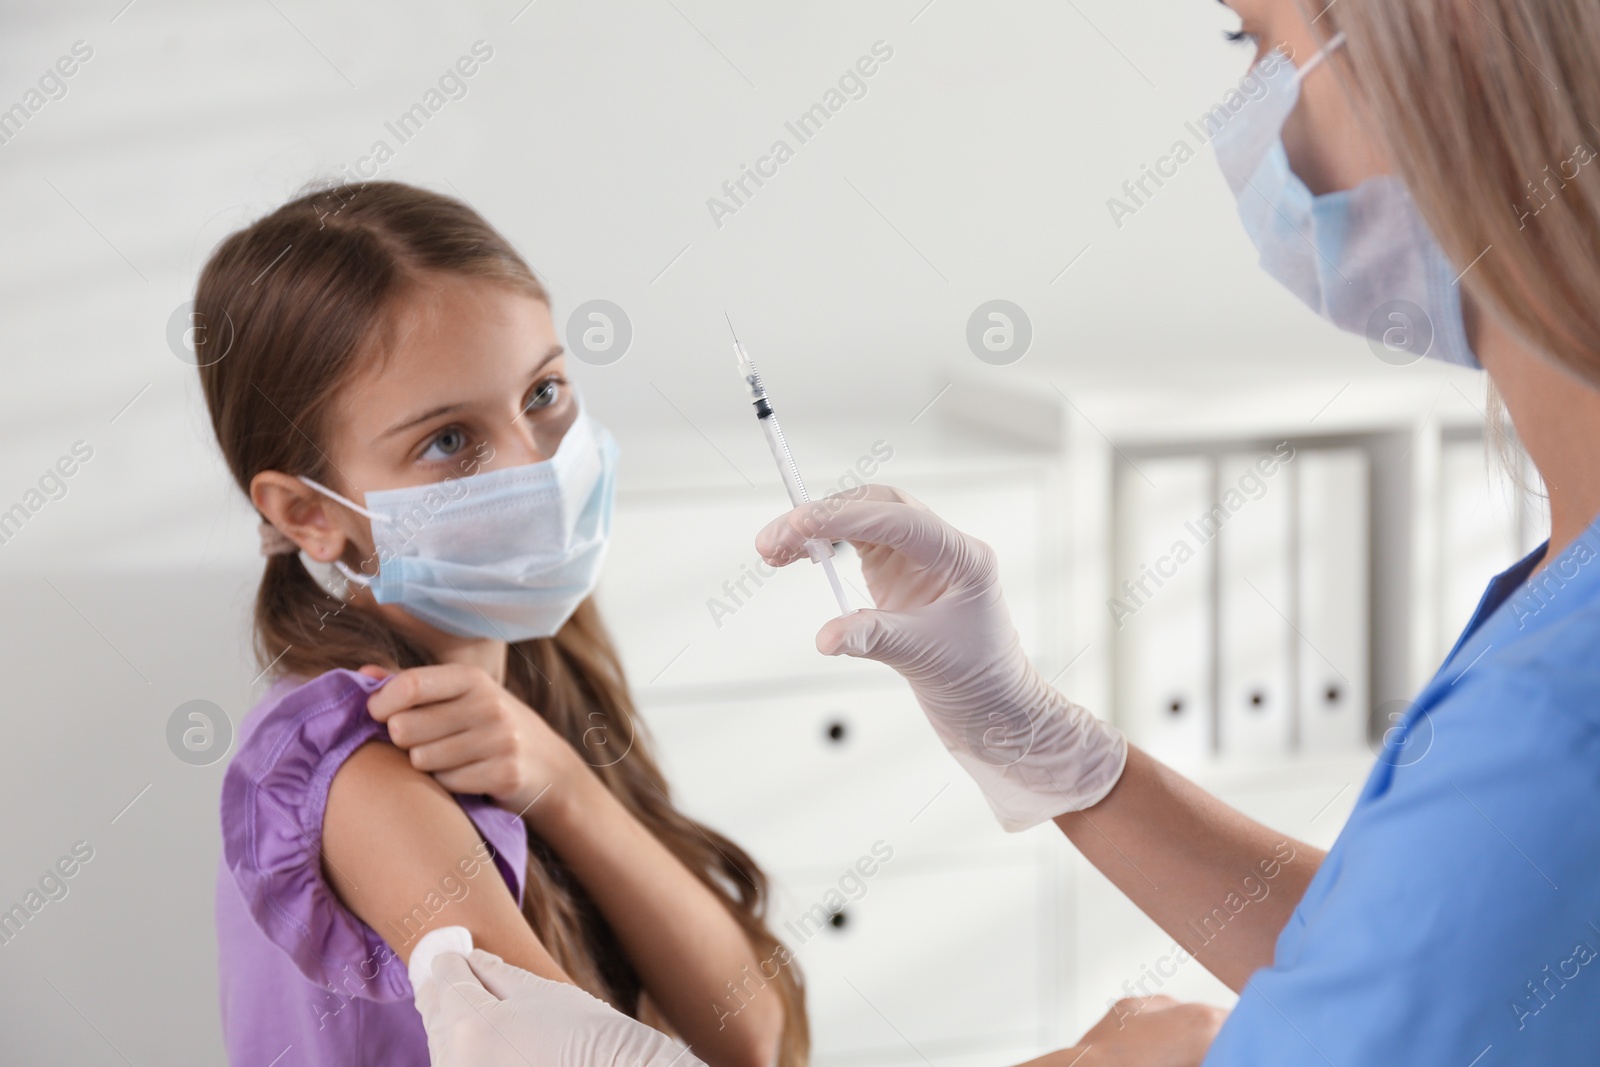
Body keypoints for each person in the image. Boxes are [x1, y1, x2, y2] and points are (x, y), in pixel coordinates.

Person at [757, 0, 1600, 1063]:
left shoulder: (1554, 715)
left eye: (1252, 38)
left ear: (1452, 45)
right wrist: (1046, 746)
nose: (1249, 110)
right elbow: (1444, 959)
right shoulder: (1563, 604)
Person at [200, 182, 805, 1067]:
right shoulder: (354, 766)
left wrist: (558, 777)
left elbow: (748, 1030)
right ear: (306, 513)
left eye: (544, 391)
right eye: (448, 440)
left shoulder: (544, 672)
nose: (535, 463)